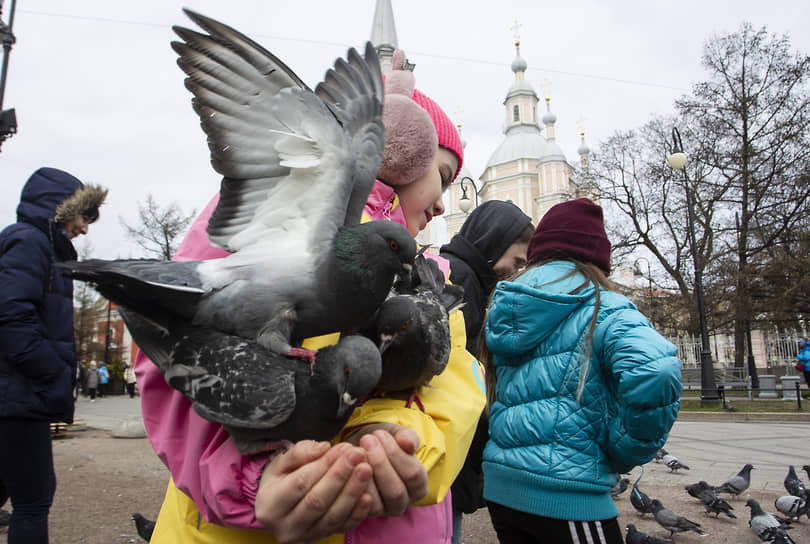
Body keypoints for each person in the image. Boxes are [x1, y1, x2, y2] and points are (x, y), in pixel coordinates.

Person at [136, 50, 485, 544]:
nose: (444, 201)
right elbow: (164, 351)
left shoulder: (432, 277)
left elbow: (455, 394)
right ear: (404, 153)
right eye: (443, 175)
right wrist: (249, 478)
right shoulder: (281, 214)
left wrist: (402, 446)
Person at [482, 198, 682, 544]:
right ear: (597, 258)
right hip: (565, 492)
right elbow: (656, 371)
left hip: (502, 489)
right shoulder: (602, 305)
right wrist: (622, 448)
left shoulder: (508, 303)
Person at [0, 167, 107, 543]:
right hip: (18, 396)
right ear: (62, 210)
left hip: (16, 394)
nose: (86, 228)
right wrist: (52, 371)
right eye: (84, 216)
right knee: (34, 499)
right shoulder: (30, 242)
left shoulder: (36, 245)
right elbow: (11, 314)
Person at [439, 200, 533, 543]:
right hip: (448, 448)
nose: (516, 269)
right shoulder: (462, 278)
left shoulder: (466, 276)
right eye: (517, 260)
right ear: (495, 241)